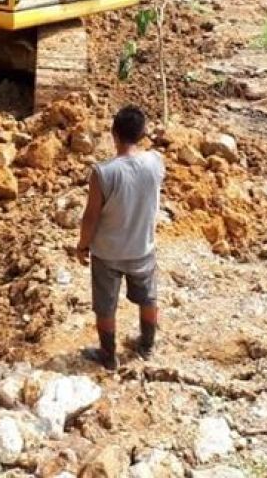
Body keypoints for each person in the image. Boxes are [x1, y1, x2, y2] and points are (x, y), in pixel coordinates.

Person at [76, 105, 165, 370]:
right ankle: (147, 346)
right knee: (148, 297)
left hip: (108, 253)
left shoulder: (103, 172)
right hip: (142, 248)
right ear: (142, 134)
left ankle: (108, 355)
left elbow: (90, 216)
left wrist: (82, 245)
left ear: (113, 133)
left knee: (105, 305)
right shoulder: (155, 162)